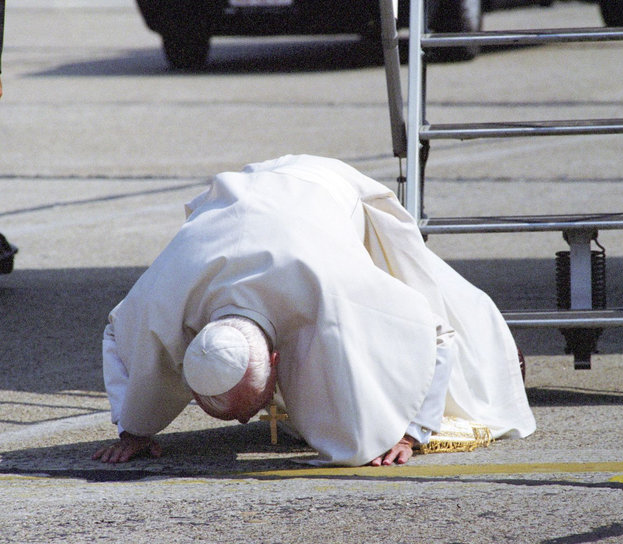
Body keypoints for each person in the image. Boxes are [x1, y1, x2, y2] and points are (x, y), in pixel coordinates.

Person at [92, 155, 535, 467]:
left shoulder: (336, 292)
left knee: (435, 298)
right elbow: (118, 334)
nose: (248, 421)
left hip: (327, 187)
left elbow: (435, 333)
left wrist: (410, 431)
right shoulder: (164, 299)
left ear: (275, 359)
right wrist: (134, 426)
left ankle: (501, 357)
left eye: (248, 408)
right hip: (246, 196)